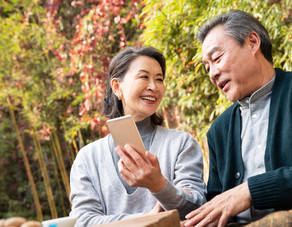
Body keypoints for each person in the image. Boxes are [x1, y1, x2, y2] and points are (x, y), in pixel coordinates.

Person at [184, 9, 292, 227]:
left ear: (252, 42)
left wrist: (250, 190)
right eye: (207, 67)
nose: (212, 73)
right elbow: (217, 202)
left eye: (217, 58)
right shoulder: (218, 131)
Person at [69, 46, 206, 226]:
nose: (153, 87)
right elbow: (83, 221)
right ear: (117, 87)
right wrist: (147, 218)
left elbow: (198, 208)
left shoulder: (181, 144)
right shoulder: (87, 158)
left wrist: (159, 185)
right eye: (144, 77)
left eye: (159, 79)